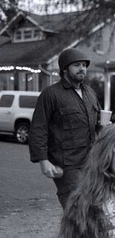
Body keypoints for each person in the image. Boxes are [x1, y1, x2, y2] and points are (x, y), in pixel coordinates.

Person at [29, 48, 102, 208]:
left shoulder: (89, 92)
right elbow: (38, 128)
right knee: (76, 209)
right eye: (76, 65)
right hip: (66, 164)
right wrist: (43, 160)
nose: (82, 68)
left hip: (90, 161)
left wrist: (103, 126)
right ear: (64, 69)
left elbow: (98, 123)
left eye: (84, 65)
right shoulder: (51, 94)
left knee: (95, 207)